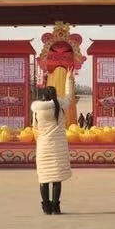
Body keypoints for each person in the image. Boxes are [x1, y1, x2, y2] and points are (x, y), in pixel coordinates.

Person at [31, 66, 75, 215]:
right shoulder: (60, 105)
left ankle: (46, 208)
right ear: (55, 95)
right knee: (57, 179)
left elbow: (34, 126)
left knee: (43, 178)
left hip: (43, 147)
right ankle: (56, 207)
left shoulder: (37, 109)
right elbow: (70, 96)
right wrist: (69, 78)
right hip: (59, 146)